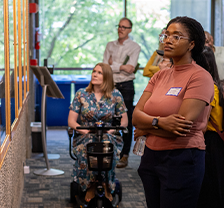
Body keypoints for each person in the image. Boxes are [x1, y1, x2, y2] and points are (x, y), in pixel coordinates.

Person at [133, 16, 214, 208]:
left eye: (176, 36)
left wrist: (147, 127)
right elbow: (136, 115)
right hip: (150, 156)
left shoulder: (200, 76)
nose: (168, 40)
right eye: (166, 35)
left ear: (191, 44)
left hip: (182, 157)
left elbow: (180, 126)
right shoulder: (160, 75)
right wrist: (158, 123)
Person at [68, 63, 128, 202]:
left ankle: (107, 185)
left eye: (99, 73)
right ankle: (90, 186)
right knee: (88, 149)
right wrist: (83, 130)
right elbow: (72, 121)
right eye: (94, 71)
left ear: (107, 76)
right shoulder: (81, 94)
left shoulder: (115, 95)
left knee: (108, 148)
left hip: (108, 133)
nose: (95, 74)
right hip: (86, 134)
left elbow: (124, 121)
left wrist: (112, 130)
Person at [103, 17, 141, 168]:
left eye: (124, 27)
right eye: (119, 26)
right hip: (111, 85)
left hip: (126, 86)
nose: (121, 29)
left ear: (130, 29)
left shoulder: (134, 46)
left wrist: (114, 64)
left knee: (125, 120)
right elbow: (106, 66)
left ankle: (124, 155)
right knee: (110, 118)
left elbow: (131, 68)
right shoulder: (110, 45)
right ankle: (111, 152)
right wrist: (121, 67)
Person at [197, 46, 224, 208]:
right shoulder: (217, 85)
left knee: (210, 187)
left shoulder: (210, 87)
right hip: (214, 141)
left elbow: (200, 118)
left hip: (211, 141)